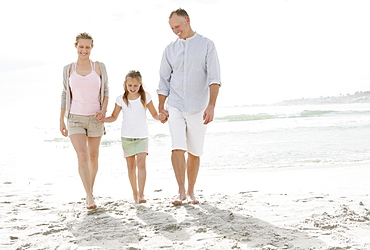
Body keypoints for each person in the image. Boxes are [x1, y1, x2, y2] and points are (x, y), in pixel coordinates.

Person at [157, 8, 221, 205]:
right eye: (172, 28)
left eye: (177, 26)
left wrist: (211, 105)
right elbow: (163, 80)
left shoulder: (206, 45)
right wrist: (161, 107)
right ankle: (181, 191)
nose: (175, 30)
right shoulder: (169, 49)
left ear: (187, 20)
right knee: (177, 148)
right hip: (175, 104)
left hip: (198, 107)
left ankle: (192, 191)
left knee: (194, 151)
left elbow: (214, 78)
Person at [60, 32, 109, 210]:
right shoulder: (68, 69)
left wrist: (103, 111)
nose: (84, 50)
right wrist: (61, 119)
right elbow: (65, 93)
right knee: (82, 155)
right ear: (76, 46)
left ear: (91, 48)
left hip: (95, 118)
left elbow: (105, 92)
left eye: (87, 47)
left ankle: (90, 190)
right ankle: (89, 196)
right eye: (81, 46)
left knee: (93, 157)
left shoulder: (99, 67)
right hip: (75, 119)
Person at [104, 70, 164, 204]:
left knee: (141, 164)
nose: (132, 88)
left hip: (142, 136)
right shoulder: (121, 99)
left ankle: (142, 194)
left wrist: (160, 117)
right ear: (125, 84)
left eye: (135, 85)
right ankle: (135, 193)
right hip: (126, 137)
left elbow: (154, 114)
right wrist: (103, 119)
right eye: (130, 85)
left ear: (140, 85)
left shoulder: (145, 97)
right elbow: (114, 117)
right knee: (131, 167)